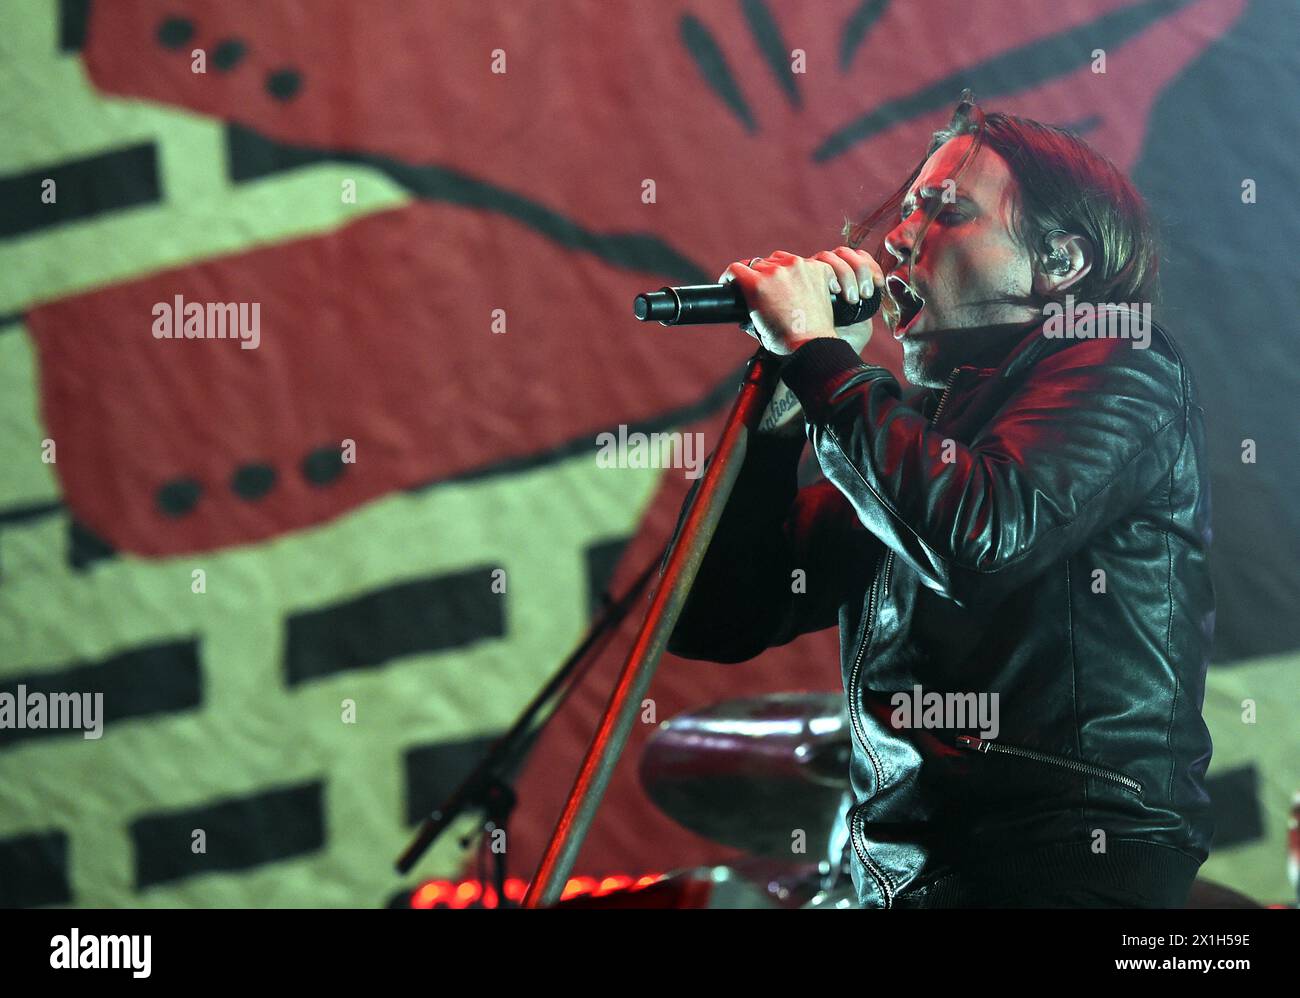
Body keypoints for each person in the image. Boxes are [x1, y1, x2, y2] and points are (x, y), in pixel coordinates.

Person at [666, 92, 1215, 909]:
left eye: (943, 210)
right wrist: (786, 406)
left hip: (1060, 872)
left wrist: (822, 361)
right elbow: (714, 618)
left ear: (1060, 262)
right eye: (909, 206)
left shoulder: (1119, 362)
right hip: (904, 883)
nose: (897, 236)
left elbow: (979, 537)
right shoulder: (910, 439)